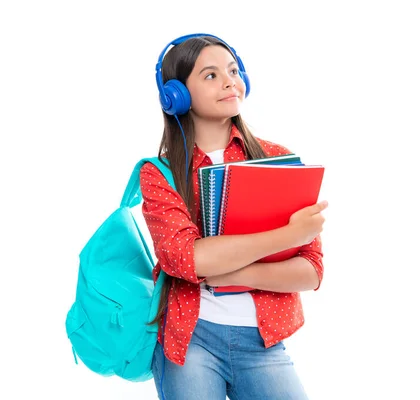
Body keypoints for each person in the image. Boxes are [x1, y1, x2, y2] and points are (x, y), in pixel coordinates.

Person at [139, 33, 328, 400]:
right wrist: (287, 236)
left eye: (233, 70)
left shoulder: (278, 160)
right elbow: (188, 259)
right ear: (175, 96)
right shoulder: (160, 173)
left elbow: (311, 272)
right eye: (210, 75)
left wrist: (230, 272)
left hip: (263, 343)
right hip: (191, 341)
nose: (229, 81)